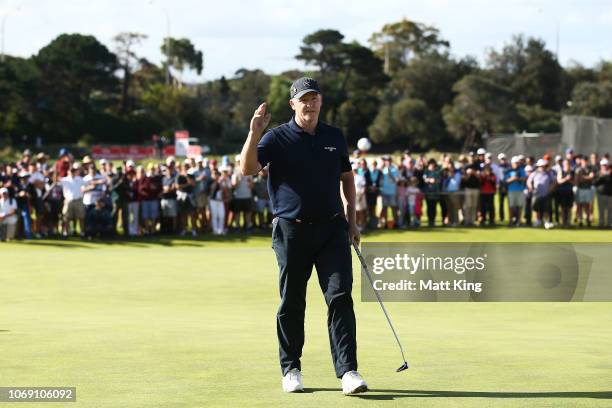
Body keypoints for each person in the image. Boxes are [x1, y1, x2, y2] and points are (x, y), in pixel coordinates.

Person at [239, 77, 367, 395]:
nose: (309, 104)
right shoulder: (276, 137)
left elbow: (347, 179)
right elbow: (247, 168)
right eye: (303, 99)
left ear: (321, 102)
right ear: (293, 104)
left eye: (314, 98)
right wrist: (254, 132)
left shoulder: (333, 136)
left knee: (340, 298)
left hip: (332, 230)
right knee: (292, 302)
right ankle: (291, 369)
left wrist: (352, 221)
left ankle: (348, 372)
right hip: (290, 230)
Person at [60, 163, 86, 237]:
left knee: (81, 217)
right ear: (68, 171)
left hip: (79, 200)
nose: (72, 172)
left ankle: (82, 233)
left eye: (73, 170)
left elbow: (87, 184)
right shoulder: (64, 180)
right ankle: (65, 232)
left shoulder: (80, 179)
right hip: (68, 201)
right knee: (66, 217)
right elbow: (56, 181)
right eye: (71, 171)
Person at [594, 158, 611, 228]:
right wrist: (603, 176)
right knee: (601, 210)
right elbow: (595, 182)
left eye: (605, 165)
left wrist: (608, 175)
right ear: (601, 166)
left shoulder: (611, 174)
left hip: (610, 195)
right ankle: (601, 223)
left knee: (610, 210)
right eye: (603, 165)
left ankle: (609, 223)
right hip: (600, 195)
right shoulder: (598, 173)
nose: (604, 166)